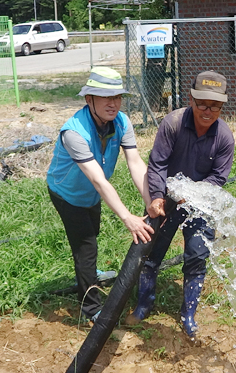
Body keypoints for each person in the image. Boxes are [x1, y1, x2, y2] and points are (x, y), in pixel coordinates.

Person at [124, 71, 235, 338]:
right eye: (202, 104)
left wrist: (194, 194)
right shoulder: (172, 124)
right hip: (166, 199)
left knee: (197, 256)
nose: (208, 111)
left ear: (222, 105)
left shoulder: (224, 138)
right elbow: (158, 164)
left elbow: (218, 177)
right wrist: (157, 197)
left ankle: (188, 314)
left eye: (215, 106)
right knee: (151, 251)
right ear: (191, 99)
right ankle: (143, 304)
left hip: (200, 203)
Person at [47, 66, 154, 320]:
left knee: (93, 231)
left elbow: (136, 163)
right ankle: (91, 309)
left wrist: (151, 201)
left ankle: (91, 276)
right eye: (106, 97)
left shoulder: (122, 122)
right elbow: (98, 180)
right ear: (89, 99)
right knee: (86, 247)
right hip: (67, 193)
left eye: (117, 97)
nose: (113, 103)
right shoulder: (74, 133)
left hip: (92, 194)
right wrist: (128, 217)